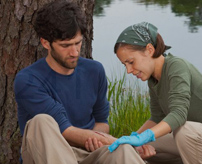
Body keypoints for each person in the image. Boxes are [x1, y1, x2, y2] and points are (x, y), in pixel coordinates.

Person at [14, 1, 149, 164]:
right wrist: (127, 142)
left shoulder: (94, 71)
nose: (74, 52)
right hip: (48, 154)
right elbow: (65, 131)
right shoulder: (28, 80)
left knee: (124, 151)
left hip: (87, 153)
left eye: (78, 43)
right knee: (40, 122)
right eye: (66, 46)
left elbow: (101, 122)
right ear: (45, 43)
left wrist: (96, 139)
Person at [108, 22, 202, 164]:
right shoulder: (153, 80)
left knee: (185, 131)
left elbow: (179, 114)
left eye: (131, 62)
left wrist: (143, 137)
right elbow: (157, 118)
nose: (128, 70)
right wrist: (134, 139)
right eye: (125, 65)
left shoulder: (176, 66)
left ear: (149, 49)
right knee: (144, 146)